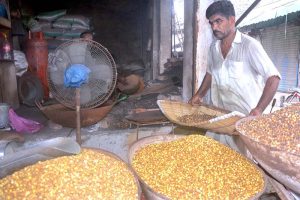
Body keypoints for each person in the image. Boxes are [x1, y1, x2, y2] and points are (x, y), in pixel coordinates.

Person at [189, 1, 281, 153]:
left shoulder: (249, 46)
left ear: (232, 20)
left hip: (244, 123)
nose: (214, 27)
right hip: (220, 119)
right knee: (213, 160)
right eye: (211, 23)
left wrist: (258, 110)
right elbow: (210, 73)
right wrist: (199, 95)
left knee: (243, 167)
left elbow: (273, 78)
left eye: (218, 21)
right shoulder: (214, 48)